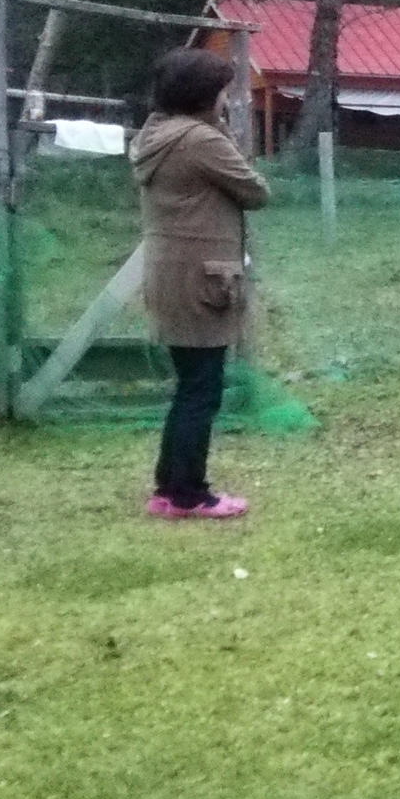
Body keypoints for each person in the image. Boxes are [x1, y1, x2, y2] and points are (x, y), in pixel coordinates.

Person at [130, 46, 270, 519]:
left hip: (171, 275)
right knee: (201, 391)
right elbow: (255, 191)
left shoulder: (158, 134)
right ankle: (190, 495)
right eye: (223, 93)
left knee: (190, 386)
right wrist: (221, 128)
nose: (227, 101)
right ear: (204, 96)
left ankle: (169, 489)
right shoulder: (199, 140)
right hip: (202, 280)